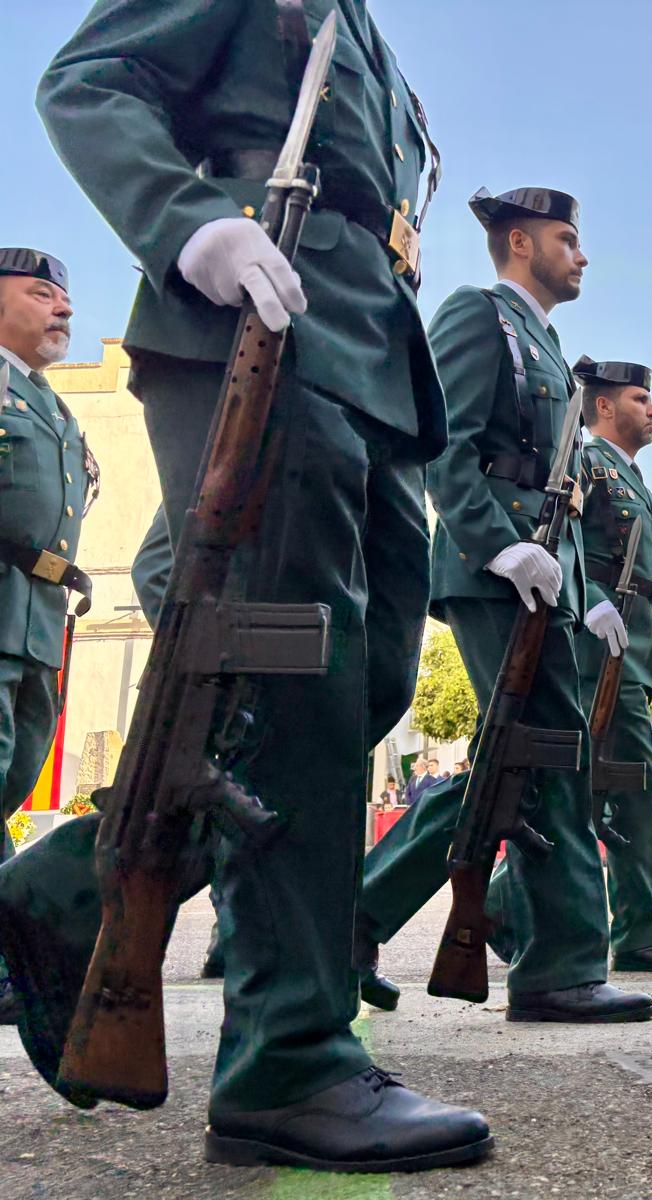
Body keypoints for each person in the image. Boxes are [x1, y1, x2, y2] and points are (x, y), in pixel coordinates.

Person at [9, 0, 493, 1171]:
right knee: (291, 684)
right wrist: (188, 225)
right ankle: (289, 1058)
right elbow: (90, 80)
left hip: (365, 353)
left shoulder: (361, 30)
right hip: (252, 321)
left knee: (360, 683)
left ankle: (74, 884)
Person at [351, 185, 652, 1028]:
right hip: (499, 565)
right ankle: (558, 967)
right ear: (519, 243)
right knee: (543, 755)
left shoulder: (549, 344)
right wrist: (494, 540)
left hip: (543, 572)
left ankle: (360, 918)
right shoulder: (478, 313)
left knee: (519, 759)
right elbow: (444, 436)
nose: (582, 254)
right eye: (567, 239)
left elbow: (561, 488)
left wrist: (586, 594)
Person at [545, 355, 652, 971]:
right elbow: (565, 539)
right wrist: (588, 601)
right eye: (641, 398)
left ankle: (511, 910)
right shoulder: (587, 460)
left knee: (613, 790)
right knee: (621, 790)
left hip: (631, 651)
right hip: (598, 651)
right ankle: (643, 930)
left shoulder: (631, 475)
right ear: (605, 406)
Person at [0, 249, 92, 1029]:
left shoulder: (50, 405)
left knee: (11, 780)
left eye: (65, 298)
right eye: (40, 294)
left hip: (35, 615)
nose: (62, 309)